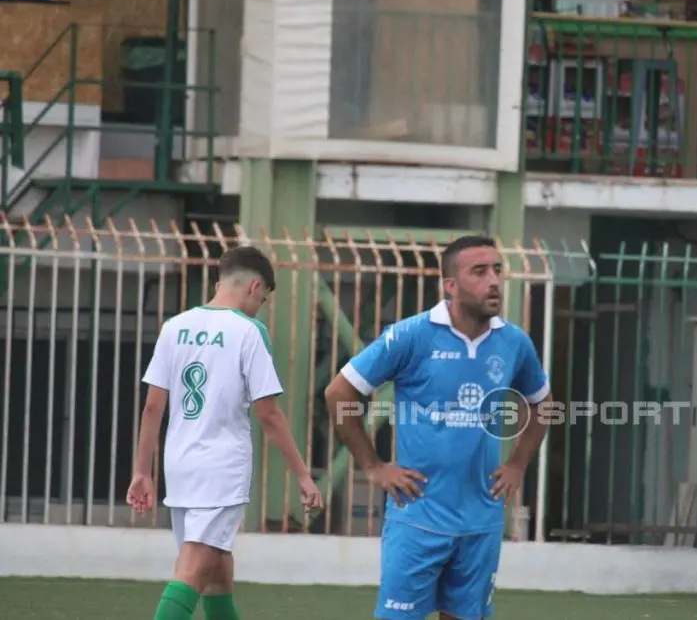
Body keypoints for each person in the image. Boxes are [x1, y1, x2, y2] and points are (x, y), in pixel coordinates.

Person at [325, 235, 552, 620]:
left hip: (481, 522)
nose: (493, 280)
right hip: (418, 518)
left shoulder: (514, 342)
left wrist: (517, 464)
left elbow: (543, 404)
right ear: (451, 285)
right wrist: (373, 466)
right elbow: (338, 392)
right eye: (479, 271)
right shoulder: (412, 335)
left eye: (497, 270)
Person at [127, 245, 323, 620]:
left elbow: (153, 407)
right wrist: (302, 474)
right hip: (220, 469)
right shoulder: (249, 331)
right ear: (254, 287)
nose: (259, 307)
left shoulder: (174, 326)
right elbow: (268, 413)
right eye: (262, 299)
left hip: (180, 466)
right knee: (192, 570)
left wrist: (141, 472)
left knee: (217, 574)